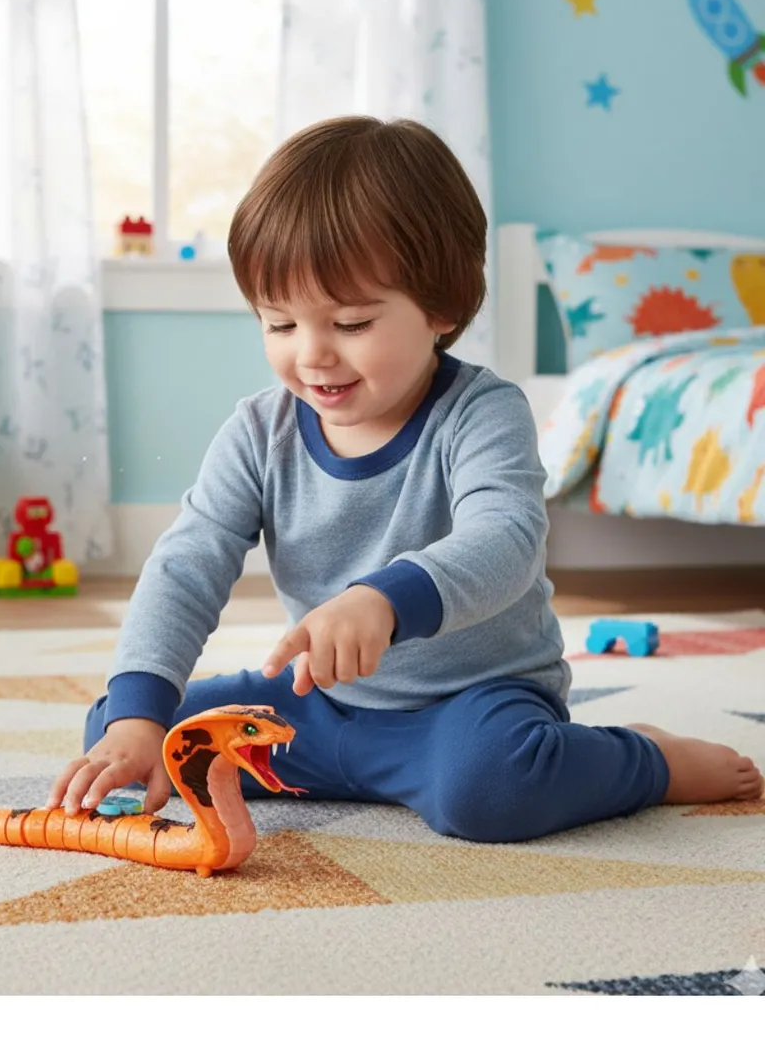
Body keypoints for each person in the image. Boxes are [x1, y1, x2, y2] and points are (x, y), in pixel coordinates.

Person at [48, 115, 763, 842]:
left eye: (352, 324)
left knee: (493, 789)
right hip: (316, 707)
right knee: (128, 726)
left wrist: (386, 600)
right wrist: (137, 719)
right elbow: (186, 566)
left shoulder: (483, 412)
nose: (312, 354)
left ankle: (645, 760)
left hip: (470, 706)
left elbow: (507, 538)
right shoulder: (259, 431)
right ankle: (319, 758)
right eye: (280, 324)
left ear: (441, 308)